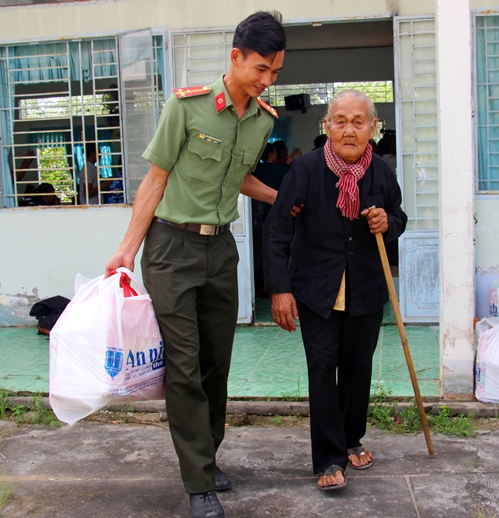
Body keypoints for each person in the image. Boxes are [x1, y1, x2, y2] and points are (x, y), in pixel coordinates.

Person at [104, 11, 286, 518]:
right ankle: (198, 481)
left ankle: (205, 456)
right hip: (170, 249)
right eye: (260, 69)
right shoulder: (187, 108)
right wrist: (127, 248)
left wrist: (281, 197)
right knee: (183, 367)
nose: (267, 80)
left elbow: (239, 177)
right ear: (235, 58)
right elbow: (156, 179)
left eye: (275, 72)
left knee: (215, 364)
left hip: (220, 252)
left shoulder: (263, 120)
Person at [263, 89, 407, 490]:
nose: (349, 130)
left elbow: (399, 216)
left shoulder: (381, 172)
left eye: (358, 121)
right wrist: (280, 289)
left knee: (358, 369)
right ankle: (328, 458)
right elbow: (277, 231)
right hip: (317, 289)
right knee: (323, 369)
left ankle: (351, 438)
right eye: (340, 121)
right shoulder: (305, 171)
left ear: (373, 128)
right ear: (327, 126)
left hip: (365, 287)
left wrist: (387, 224)